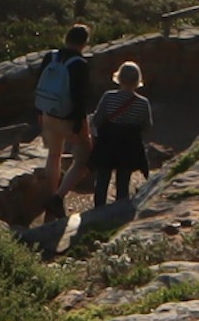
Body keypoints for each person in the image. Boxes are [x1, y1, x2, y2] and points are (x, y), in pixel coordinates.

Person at [31, 25, 94, 207]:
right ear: (84, 43)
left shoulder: (51, 57)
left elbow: (39, 85)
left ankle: (51, 194)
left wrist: (38, 112)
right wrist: (79, 125)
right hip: (69, 117)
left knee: (54, 155)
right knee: (84, 158)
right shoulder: (80, 64)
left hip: (48, 112)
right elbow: (79, 98)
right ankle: (58, 197)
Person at [90, 61, 154, 209]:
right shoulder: (143, 103)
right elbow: (147, 126)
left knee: (102, 179)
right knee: (123, 181)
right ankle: (119, 211)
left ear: (119, 78)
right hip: (129, 147)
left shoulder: (108, 97)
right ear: (138, 80)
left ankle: (98, 211)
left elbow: (97, 120)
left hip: (107, 144)